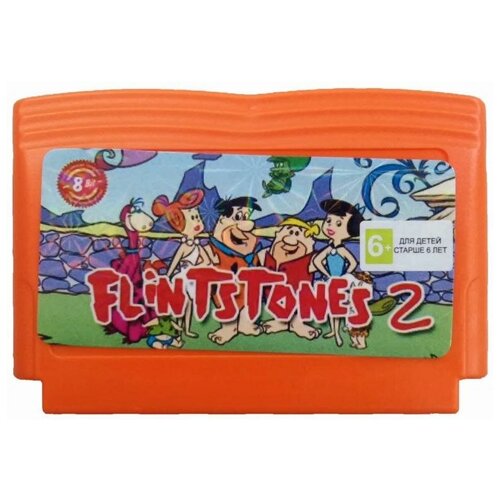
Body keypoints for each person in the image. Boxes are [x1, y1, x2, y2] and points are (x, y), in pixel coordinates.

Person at [152, 189, 213, 339]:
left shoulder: (196, 245)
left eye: (197, 217)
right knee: (181, 303)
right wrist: (168, 275)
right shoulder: (185, 245)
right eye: (193, 218)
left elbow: (207, 261)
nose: (197, 221)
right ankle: (177, 329)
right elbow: (175, 261)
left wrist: (199, 266)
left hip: (193, 278)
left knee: (190, 304)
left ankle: (186, 329)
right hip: (182, 277)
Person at [204, 196, 264, 345]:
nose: (247, 224)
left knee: (249, 301)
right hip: (225, 286)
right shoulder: (213, 250)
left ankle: (245, 324)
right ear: (222, 220)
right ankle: (229, 328)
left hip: (246, 284)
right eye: (238, 217)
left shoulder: (248, 253)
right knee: (226, 302)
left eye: (246, 218)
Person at [312, 199, 364, 347]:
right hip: (331, 282)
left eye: (339, 224)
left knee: (339, 308)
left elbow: (353, 263)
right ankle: (334, 331)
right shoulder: (329, 248)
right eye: (328, 221)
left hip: (340, 284)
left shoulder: (341, 249)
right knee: (331, 307)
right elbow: (317, 261)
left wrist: (345, 276)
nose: (330, 226)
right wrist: (327, 273)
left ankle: (339, 333)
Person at [258, 218, 321, 339]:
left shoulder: (310, 260)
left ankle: (297, 324)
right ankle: (281, 322)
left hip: (298, 300)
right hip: (273, 299)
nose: (291, 238)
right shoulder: (264, 254)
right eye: (289, 232)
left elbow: (323, 261)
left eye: (297, 234)